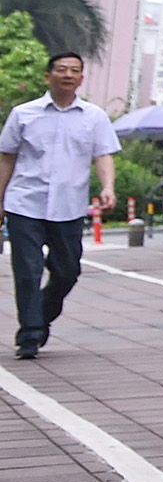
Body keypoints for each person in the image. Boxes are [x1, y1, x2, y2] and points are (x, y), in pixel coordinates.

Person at [0, 53, 118, 362]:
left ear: (81, 78)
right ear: (48, 76)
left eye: (74, 71)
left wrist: (108, 188)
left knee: (67, 272)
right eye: (61, 70)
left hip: (69, 205)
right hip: (25, 202)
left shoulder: (94, 117)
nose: (68, 75)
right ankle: (29, 336)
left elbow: (104, 155)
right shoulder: (23, 114)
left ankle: (39, 317)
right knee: (28, 271)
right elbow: (7, 158)